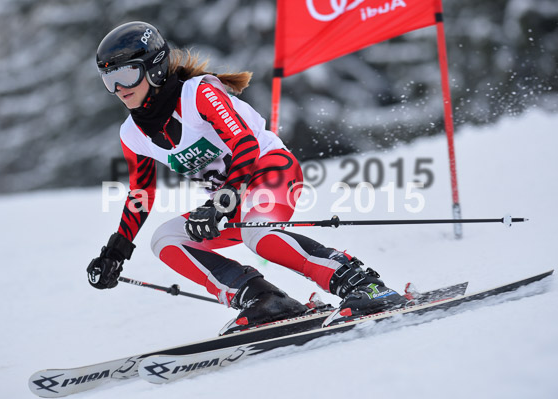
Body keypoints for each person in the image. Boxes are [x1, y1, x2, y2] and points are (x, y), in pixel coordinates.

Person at [87, 21, 406, 333]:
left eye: (127, 74)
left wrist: (223, 200)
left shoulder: (199, 94)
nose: (119, 89)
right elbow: (142, 193)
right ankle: (263, 299)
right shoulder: (132, 133)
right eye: (109, 80)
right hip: (230, 199)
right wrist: (116, 250)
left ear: (154, 68)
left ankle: (364, 285)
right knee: (166, 239)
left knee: (259, 235)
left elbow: (244, 143)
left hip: (271, 172)